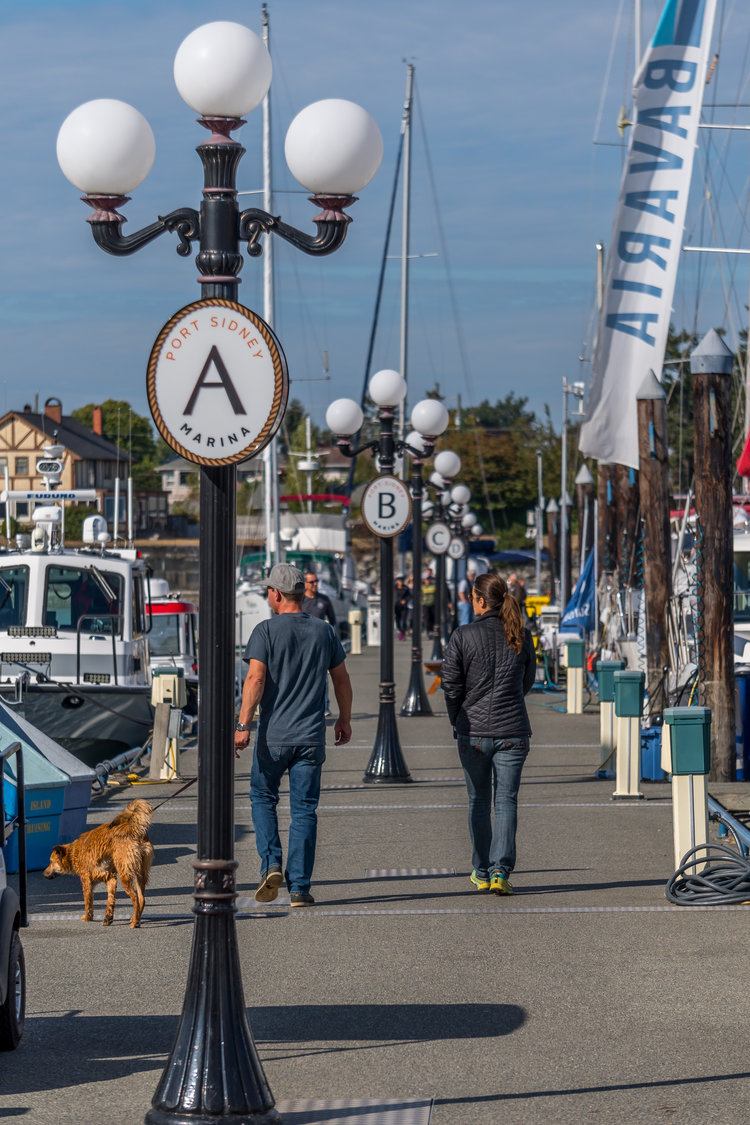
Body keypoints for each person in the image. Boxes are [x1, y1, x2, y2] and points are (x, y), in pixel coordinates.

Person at [234, 563, 353, 907]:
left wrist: (243, 726)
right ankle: (299, 887)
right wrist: (344, 719)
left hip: (274, 736)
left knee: (262, 798)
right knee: (304, 810)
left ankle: (271, 862)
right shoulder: (324, 631)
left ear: (276, 593)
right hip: (310, 736)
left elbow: (255, 680)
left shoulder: (265, 631)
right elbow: (341, 679)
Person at [440, 571, 535, 896]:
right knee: (506, 801)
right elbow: (527, 681)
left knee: (479, 801)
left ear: (478, 600)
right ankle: (501, 871)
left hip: (473, 732)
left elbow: (450, 686)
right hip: (512, 730)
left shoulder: (462, 635)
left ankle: (481, 870)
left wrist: (458, 719)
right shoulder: (520, 634)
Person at [394, 573, 411, 640]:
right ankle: (400, 632)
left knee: (403, 620)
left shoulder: (405, 588)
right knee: (398, 620)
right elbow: (394, 597)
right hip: (396, 606)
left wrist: (405, 600)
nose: (400, 582)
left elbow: (409, 596)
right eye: (399, 580)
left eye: (401, 581)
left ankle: (403, 633)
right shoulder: (394, 588)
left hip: (404, 607)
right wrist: (399, 600)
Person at [422, 568, 436, 634]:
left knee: (433, 617)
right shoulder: (422, 586)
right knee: (427, 618)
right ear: (424, 580)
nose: (428, 580)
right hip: (425, 604)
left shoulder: (433, 585)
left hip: (433, 604)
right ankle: (428, 631)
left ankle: (432, 630)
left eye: (429, 579)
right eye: (426, 579)